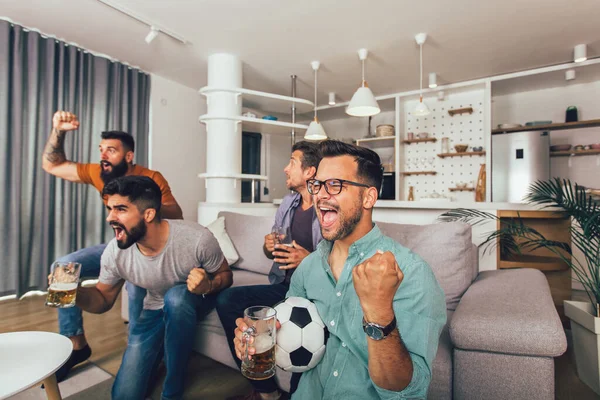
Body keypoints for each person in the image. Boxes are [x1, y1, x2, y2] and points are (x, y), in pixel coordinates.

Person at [233, 140, 447, 399]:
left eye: (335, 185)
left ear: (368, 197)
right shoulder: (308, 268)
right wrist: (260, 342)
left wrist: (379, 314)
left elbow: (408, 390)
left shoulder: (412, 273)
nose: (320, 195)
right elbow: (292, 342)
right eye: (317, 184)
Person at [42, 110, 183, 382]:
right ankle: (75, 345)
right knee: (62, 268)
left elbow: (176, 212)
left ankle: (142, 356)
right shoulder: (99, 172)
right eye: (101, 150)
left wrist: (140, 205)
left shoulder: (151, 176)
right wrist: (58, 130)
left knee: (136, 288)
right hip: (118, 244)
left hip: (143, 244)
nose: (104, 155)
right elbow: (52, 165)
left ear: (128, 156)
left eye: (112, 151)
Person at [72, 175, 232, 400]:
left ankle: (173, 389)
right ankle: (154, 355)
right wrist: (74, 293)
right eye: (110, 209)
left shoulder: (196, 239)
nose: (110, 217)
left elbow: (226, 275)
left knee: (176, 298)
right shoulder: (115, 252)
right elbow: (102, 298)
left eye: (120, 209)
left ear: (148, 214)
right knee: (124, 396)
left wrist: (209, 284)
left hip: (195, 300)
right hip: (155, 305)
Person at [216, 141, 323, 400]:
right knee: (228, 299)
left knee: (302, 334)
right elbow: (274, 252)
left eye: (292, 163)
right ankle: (267, 391)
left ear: (309, 172)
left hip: (315, 294)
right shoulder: (289, 203)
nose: (285, 169)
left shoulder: (327, 206)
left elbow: (338, 259)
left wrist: (307, 259)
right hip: (283, 285)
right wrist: (268, 246)